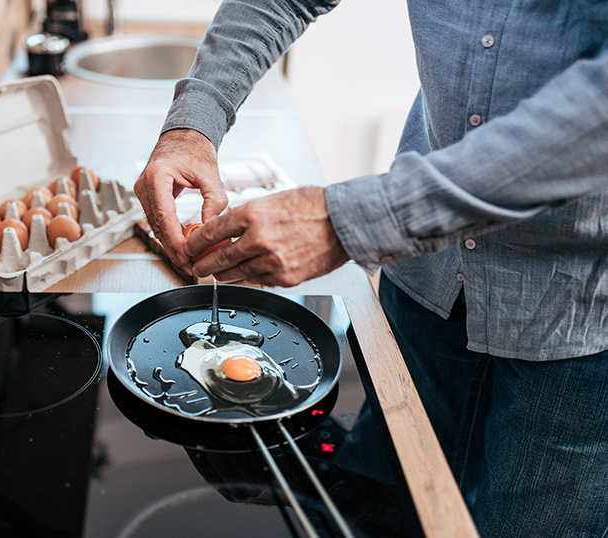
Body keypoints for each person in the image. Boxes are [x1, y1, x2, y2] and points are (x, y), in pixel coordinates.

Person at [133, 1, 608, 536]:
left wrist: (354, 221)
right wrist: (194, 123)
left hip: (581, 320)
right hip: (427, 278)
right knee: (381, 508)